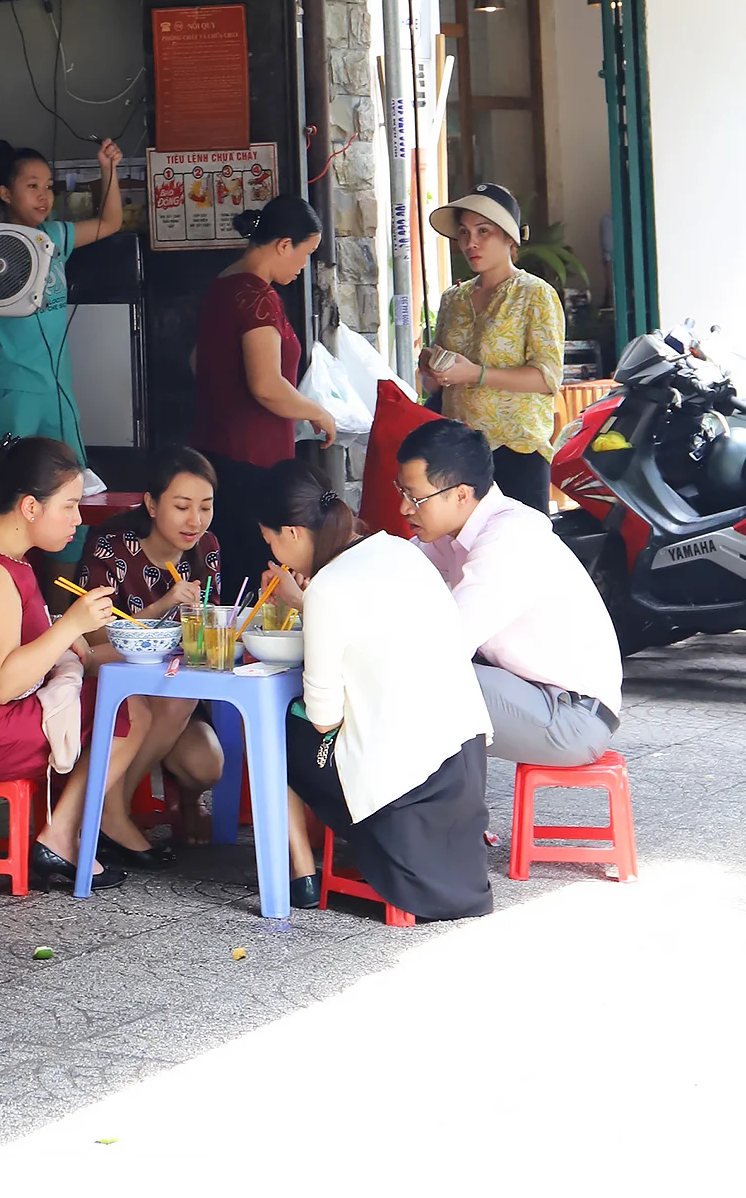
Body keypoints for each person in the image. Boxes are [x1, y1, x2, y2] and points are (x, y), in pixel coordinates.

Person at [0, 435, 158, 889]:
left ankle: (64, 830)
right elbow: (3, 684)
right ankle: (61, 835)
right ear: (29, 508)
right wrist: (70, 627)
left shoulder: (11, 562)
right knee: (129, 710)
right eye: (68, 506)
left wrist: (144, 647)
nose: (78, 519)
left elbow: (55, 657)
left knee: (124, 695)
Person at [258, 462, 492, 920]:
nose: (276, 553)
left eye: (271, 541)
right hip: (463, 759)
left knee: (274, 731)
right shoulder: (399, 551)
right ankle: (306, 868)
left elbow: (323, 716)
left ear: (291, 532)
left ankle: (301, 872)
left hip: (402, 781)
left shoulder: (328, 586)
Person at [394, 419, 622, 767]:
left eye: (416, 497)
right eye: (402, 493)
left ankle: (442, 819)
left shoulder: (507, 540)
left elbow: (445, 646)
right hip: (539, 697)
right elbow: (396, 570)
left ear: (460, 494)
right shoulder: (457, 532)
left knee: (413, 677)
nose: (404, 509)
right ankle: (446, 818)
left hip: (573, 719)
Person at [189, 194, 335, 597]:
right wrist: (317, 412)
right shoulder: (258, 297)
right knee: (254, 572)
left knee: (227, 565)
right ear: (283, 244)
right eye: (304, 255)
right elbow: (267, 385)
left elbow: (197, 362)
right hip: (253, 457)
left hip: (214, 451)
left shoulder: (222, 285)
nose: (303, 267)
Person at [0, 137, 127, 457]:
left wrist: (109, 168)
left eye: (47, 186)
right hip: (11, 391)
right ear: (5, 193)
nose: (43, 195)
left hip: (57, 388)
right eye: (32, 186)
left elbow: (110, 223)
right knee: (7, 490)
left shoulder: (56, 237)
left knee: (69, 484)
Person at [81, 445, 225, 834]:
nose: (195, 521)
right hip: (117, 687)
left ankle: (117, 813)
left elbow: (205, 627)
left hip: (174, 689)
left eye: (206, 507)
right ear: (151, 503)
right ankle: (111, 819)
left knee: (207, 767)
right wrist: (162, 604)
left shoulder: (206, 549)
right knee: (178, 698)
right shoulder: (110, 545)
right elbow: (94, 637)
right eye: (182, 507)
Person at [422, 182, 566, 514]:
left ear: (509, 237)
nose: (471, 242)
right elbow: (436, 382)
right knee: (461, 555)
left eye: (483, 231)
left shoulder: (535, 295)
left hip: (517, 450)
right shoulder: (453, 299)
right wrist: (431, 369)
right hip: (459, 455)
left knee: (517, 557)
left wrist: (474, 373)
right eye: (464, 232)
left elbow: (546, 378)